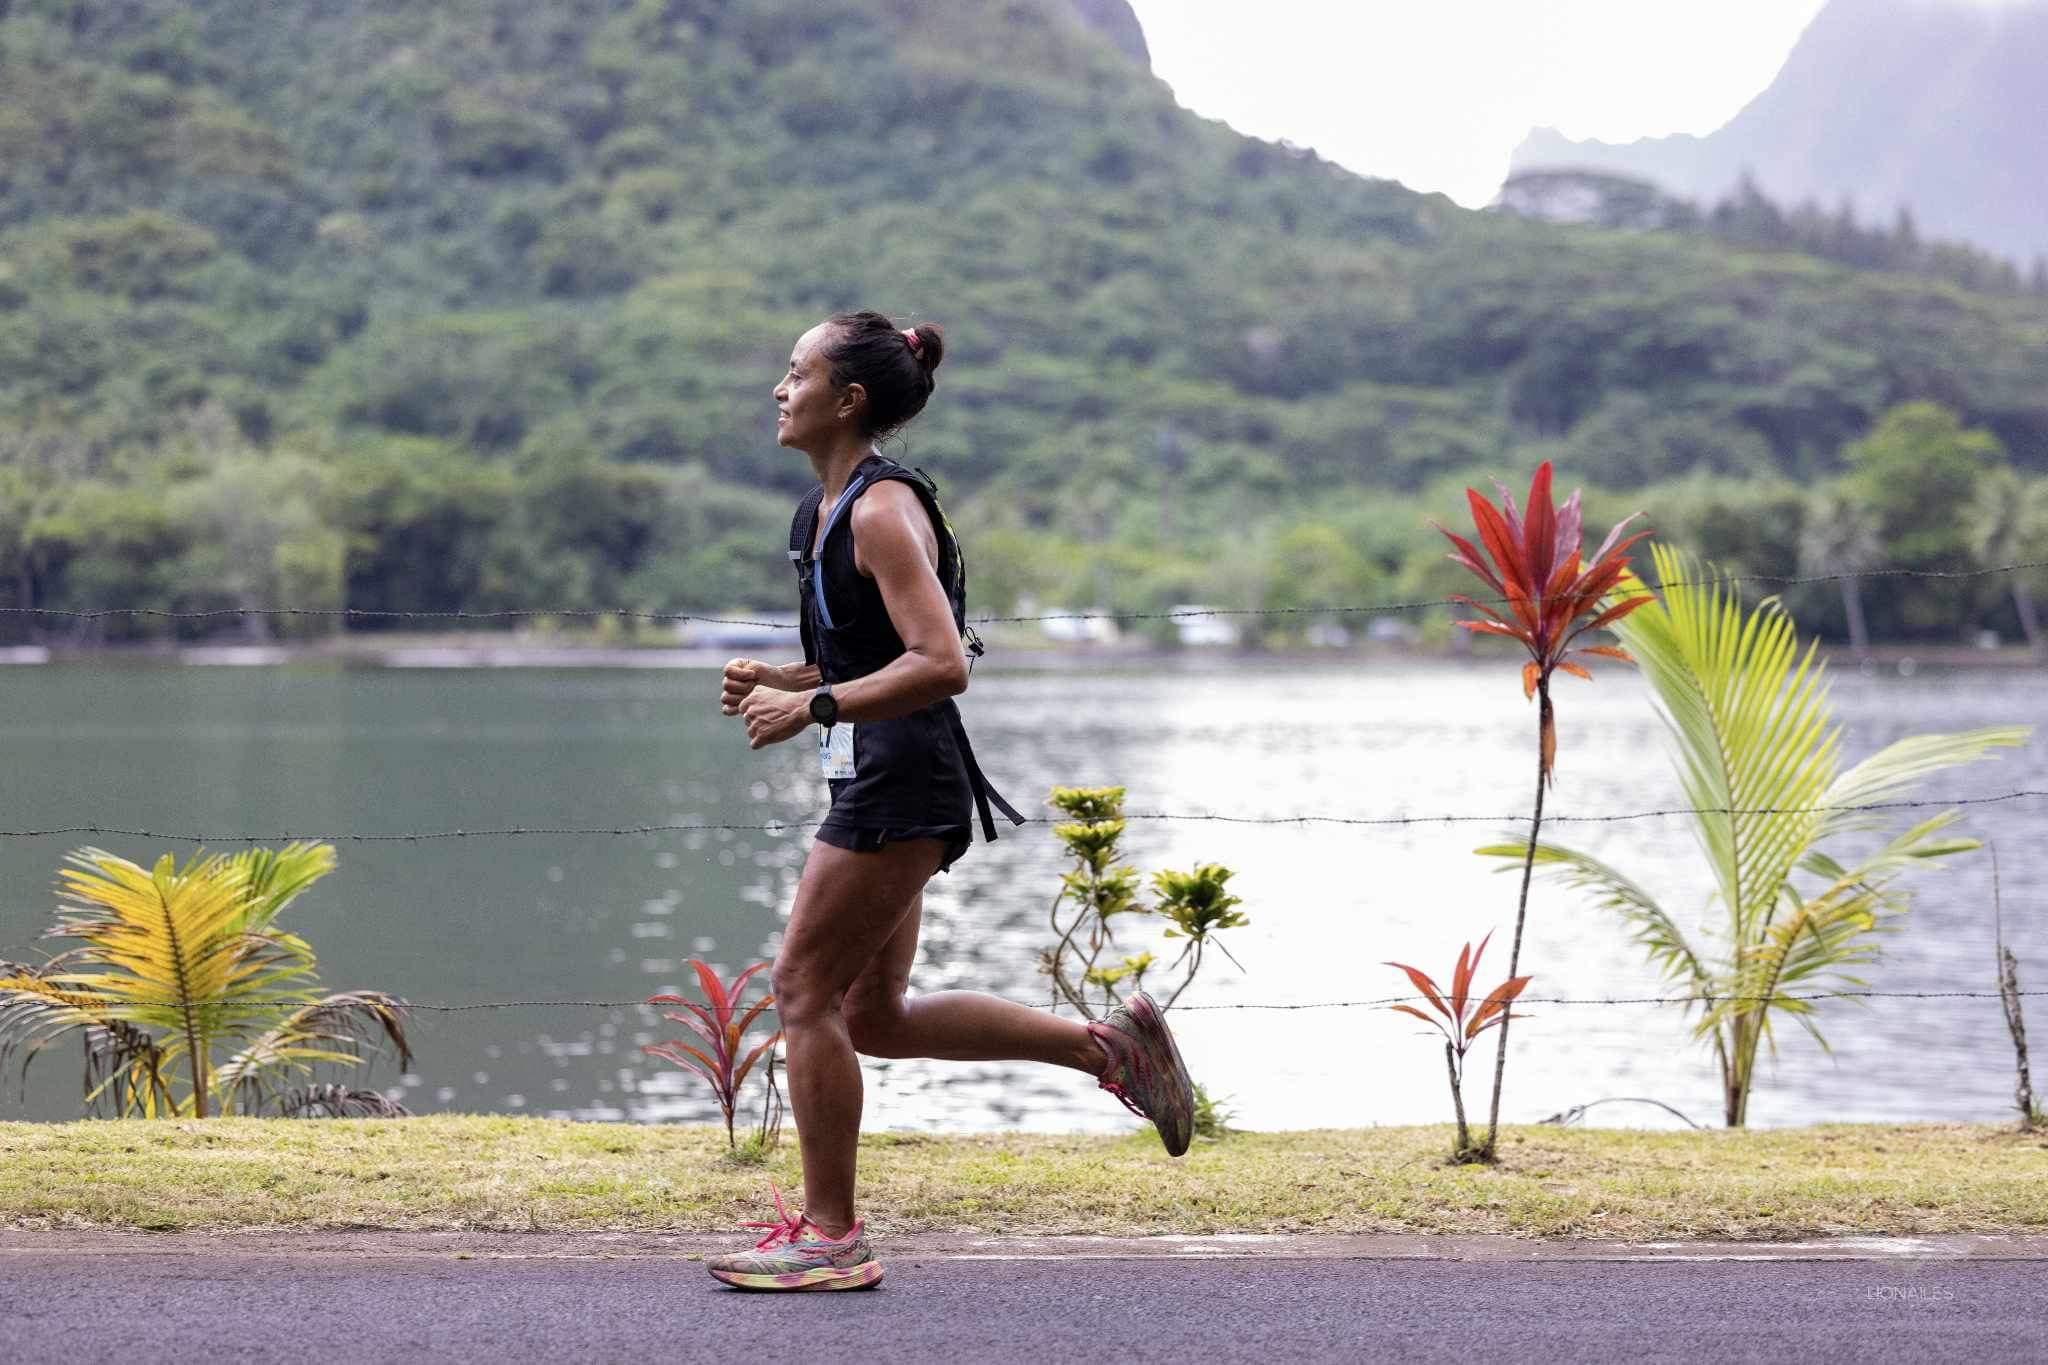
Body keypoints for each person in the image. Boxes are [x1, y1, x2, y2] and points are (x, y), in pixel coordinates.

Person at [708, 311, 1195, 1292]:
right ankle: (1110, 1050)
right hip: (879, 770)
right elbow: (865, 657)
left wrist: (811, 703)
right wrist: (790, 675)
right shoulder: (821, 517)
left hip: (902, 776)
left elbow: (938, 665)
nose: (778, 387)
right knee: (872, 1014)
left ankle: (832, 1239)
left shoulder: (884, 512)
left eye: (795, 372)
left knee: (801, 993)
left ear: (846, 399)